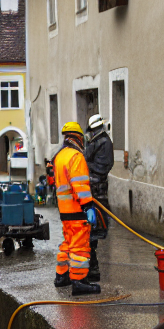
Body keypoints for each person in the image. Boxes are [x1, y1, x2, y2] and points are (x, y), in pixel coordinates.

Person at [53, 121, 100, 295]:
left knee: (67, 244)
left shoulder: (60, 156)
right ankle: (79, 281)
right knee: (80, 247)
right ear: (79, 137)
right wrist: (88, 206)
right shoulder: (76, 156)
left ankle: (62, 276)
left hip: (65, 211)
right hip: (77, 209)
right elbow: (79, 184)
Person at [83, 113, 113, 282]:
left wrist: (84, 163)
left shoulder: (104, 143)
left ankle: (92, 268)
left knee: (93, 230)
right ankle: (91, 267)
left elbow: (102, 168)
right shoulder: (97, 142)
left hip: (97, 193)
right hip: (93, 192)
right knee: (90, 231)